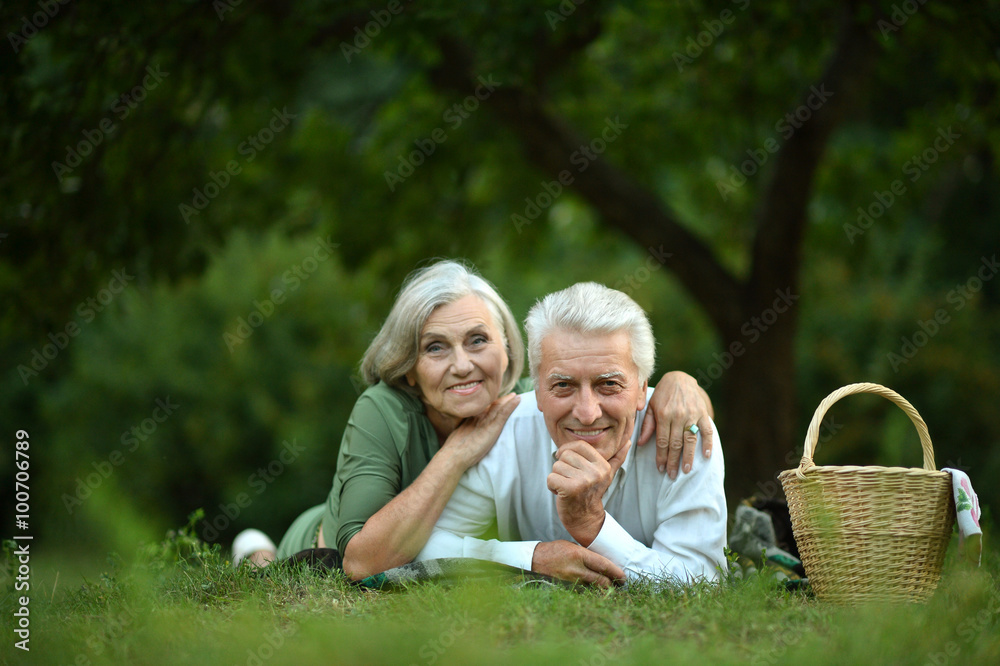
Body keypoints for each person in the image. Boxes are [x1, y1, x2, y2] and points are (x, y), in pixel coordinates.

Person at [232, 261, 716, 579]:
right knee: (280, 570)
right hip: (339, 537)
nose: (462, 364)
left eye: (478, 341)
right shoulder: (384, 411)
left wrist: (683, 385)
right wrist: (460, 452)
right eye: (435, 347)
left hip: (417, 536)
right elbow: (364, 561)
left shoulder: (532, 401)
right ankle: (257, 551)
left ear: (509, 352)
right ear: (410, 367)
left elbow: (632, 392)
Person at [414, 282, 727, 586]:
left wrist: (592, 526)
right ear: (536, 390)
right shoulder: (500, 433)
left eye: (609, 384)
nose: (587, 412)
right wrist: (532, 558)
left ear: (643, 388)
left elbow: (703, 580)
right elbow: (429, 547)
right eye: (563, 385)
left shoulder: (686, 432)